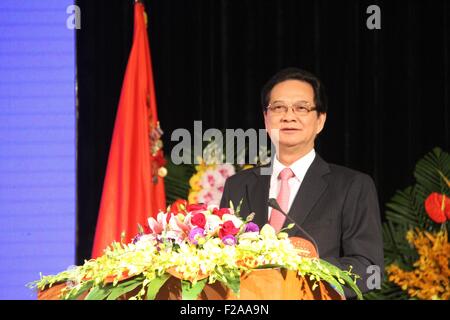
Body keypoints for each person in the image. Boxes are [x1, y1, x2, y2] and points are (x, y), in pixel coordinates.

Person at [220, 67, 384, 298]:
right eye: (278, 108)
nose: (289, 116)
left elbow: (368, 267)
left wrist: (304, 277)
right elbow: (221, 256)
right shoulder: (238, 185)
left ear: (320, 120)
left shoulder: (353, 186)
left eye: (302, 108)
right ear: (266, 119)